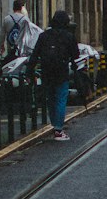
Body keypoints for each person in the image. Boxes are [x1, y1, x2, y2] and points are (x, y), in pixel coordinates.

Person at [28, 10, 79, 140]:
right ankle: (58, 129)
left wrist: (29, 70)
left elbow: (35, 54)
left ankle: (54, 124)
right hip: (61, 71)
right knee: (61, 98)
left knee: (50, 98)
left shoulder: (44, 36)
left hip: (46, 71)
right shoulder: (68, 36)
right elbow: (76, 55)